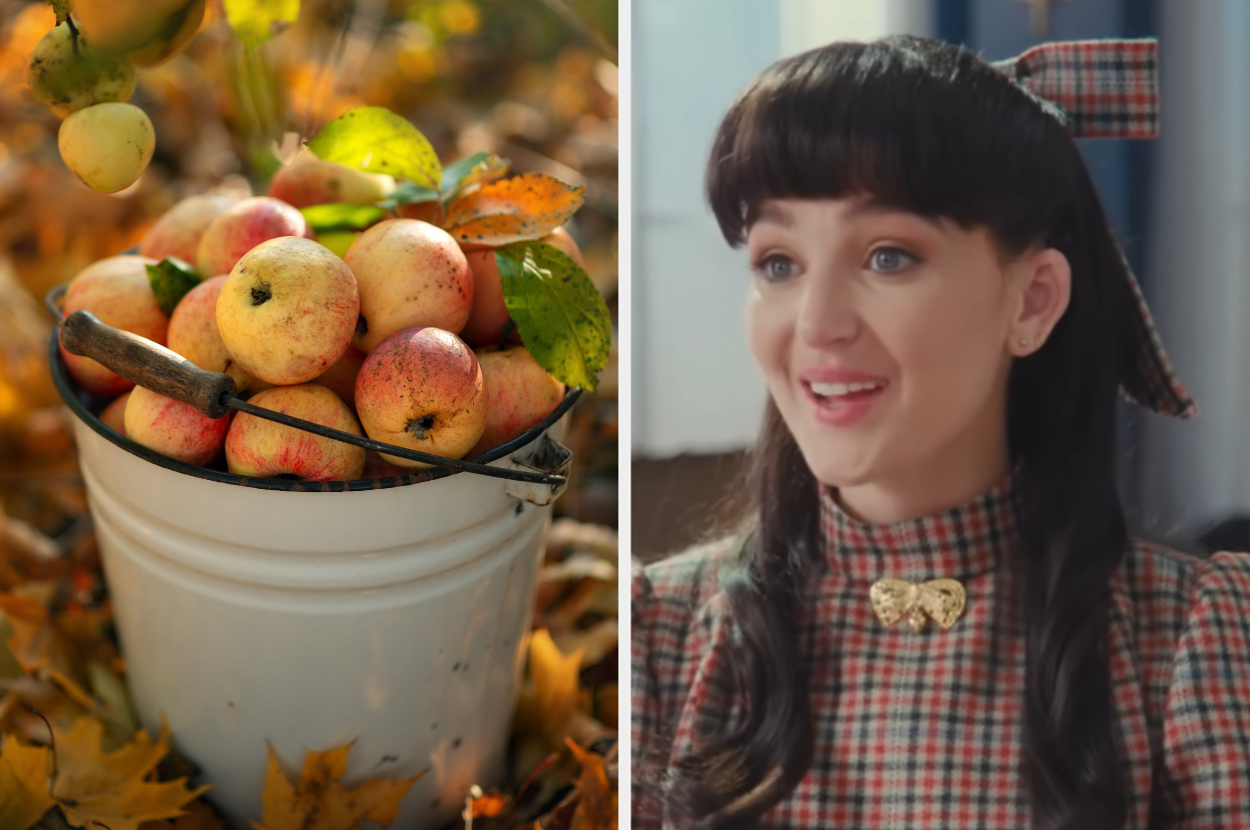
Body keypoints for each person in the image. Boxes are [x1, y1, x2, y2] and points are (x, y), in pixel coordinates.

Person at [631, 35, 1250, 830]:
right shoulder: (659, 634)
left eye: (887, 256)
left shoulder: (1193, 642)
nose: (817, 325)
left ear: (1032, 302)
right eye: (778, 263)